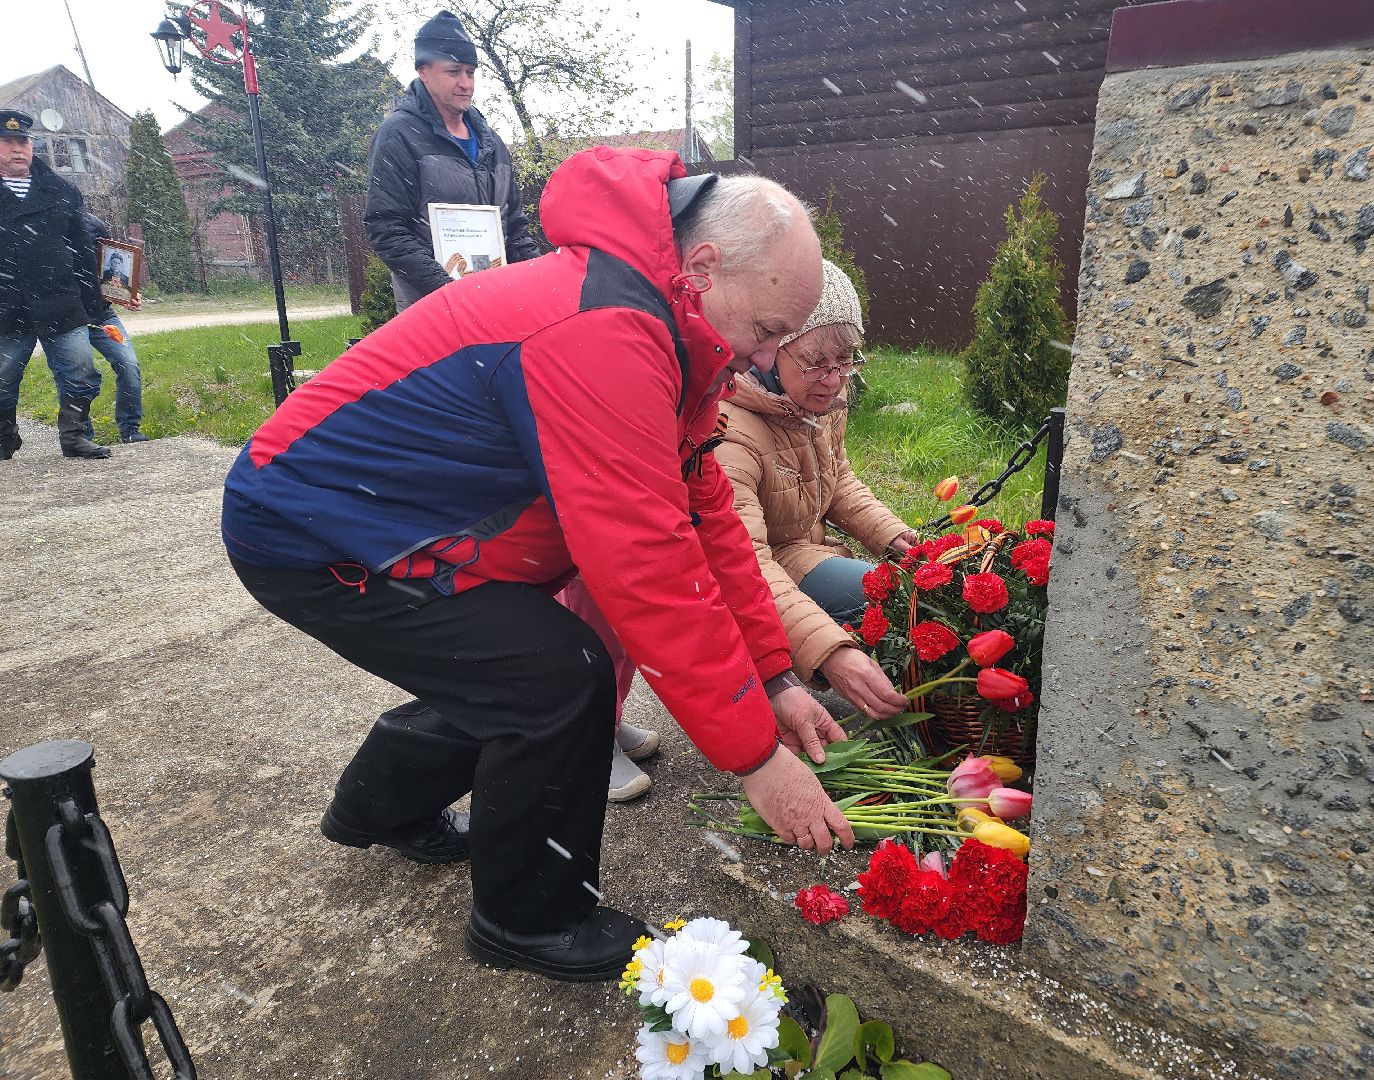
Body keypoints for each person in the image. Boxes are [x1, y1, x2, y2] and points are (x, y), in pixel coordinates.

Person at [221, 146, 855, 982]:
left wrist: (773, 678)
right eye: (769, 331)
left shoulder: (666, 319)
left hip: (394, 520)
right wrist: (755, 760)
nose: (764, 358)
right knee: (557, 676)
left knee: (505, 664)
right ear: (701, 267)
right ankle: (529, 918)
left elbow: (703, 516)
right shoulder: (607, 330)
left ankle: (377, 808)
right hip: (318, 531)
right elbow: (648, 568)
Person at [715, 260, 917, 718]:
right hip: (757, 567)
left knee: (898, 597)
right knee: (879, 603)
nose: (833, 379)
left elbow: (838, 478)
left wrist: (891, 535)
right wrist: (827, 650)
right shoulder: (730, 430)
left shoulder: (820, 405)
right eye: (815, 363)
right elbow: (741, 561)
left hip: (801, 550)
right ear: (770, 351)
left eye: (845, 362)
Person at [365, 10, 541, 311]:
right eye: (453, 71)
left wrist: (542, 281)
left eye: (470, 72)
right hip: (431, 312)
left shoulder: (493, 143)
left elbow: (514, 228)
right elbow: (387, 229)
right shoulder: (399, 135)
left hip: (495, 305)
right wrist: (448, 291)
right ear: (423, 71)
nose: (465, 83)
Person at [0, 109, 109, 461]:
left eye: (23, 142)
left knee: (82, 372)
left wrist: (95, 304)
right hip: (5, 307)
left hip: (60, 301)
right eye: (7, 142)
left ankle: (74, 436)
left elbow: (82, 250)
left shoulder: (61, 191)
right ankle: (4, 437)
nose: (18, 149)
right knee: (1, 382)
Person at [73, 214, 147, 444]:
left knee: (129, 364)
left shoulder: (94, 225)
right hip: (68, 320)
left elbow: (110, 269)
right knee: (77, 374)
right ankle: (81, 436)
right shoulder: (51, 227)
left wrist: (128, 295)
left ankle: (130, 429)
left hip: (103, 315)